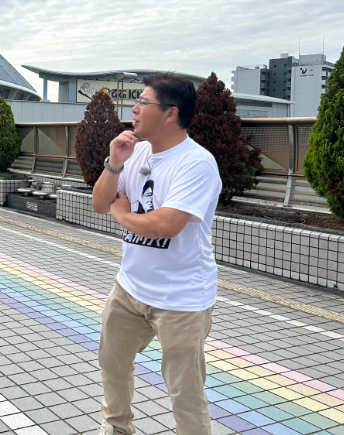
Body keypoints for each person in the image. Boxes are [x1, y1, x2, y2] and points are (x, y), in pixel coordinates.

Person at [91, 72, 221, 435]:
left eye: (143, 102)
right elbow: (101, 203)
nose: (133, 109)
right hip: (129, 288)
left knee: (185, 390)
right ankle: (117, 428)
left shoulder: (196, 163)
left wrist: (123, 213)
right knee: (112, 363)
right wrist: (115, 161)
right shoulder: (135, 151)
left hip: (181, 299)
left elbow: (166, 225)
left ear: (170, 113)